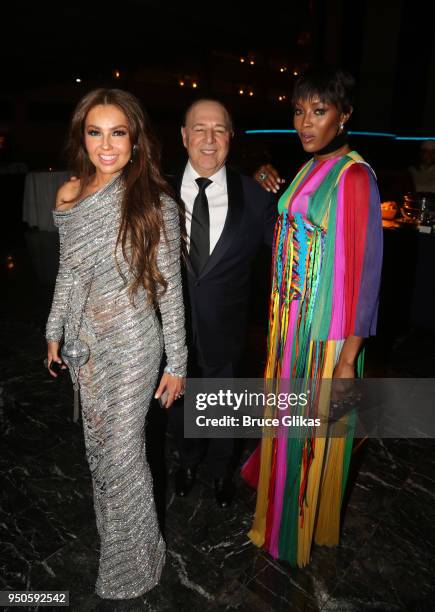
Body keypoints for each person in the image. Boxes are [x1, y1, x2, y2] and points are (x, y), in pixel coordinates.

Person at [45, 89, 187, 599]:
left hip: (135, 344)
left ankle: (132, 566)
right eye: (95, 132)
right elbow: (69, 271)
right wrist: (53, 329)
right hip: (87, 344)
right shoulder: (68, 195)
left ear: (135, 139)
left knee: (125, 453)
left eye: (118, 132)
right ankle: (125, 538)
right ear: (82, 137)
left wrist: (179, 362)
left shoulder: (155, 202)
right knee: (100, 451)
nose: (107, 145)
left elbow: (168, 290)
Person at [244, 68, 383, 567]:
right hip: (287, 328)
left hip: (322, 338)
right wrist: (266, 188)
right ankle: (276, 515)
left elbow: (366, 276)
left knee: (312, 439)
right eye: (299, 111)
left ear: (344, 116)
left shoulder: (355, 175)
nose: (305, 122)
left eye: (318, 111)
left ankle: (293, 533)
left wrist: (348, 360)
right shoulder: (308, 167)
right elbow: (287, 234)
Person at [167, 98, 276, 507]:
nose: (208, 139)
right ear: (183, 135)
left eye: (219, 129)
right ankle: (188, 461)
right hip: (170, 330)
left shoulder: (256, 196)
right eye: (199, 128)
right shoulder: (154, 189)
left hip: (228, 329)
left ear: (231, 137)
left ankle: (219, 470)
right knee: (179, 406)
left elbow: (293, 241)